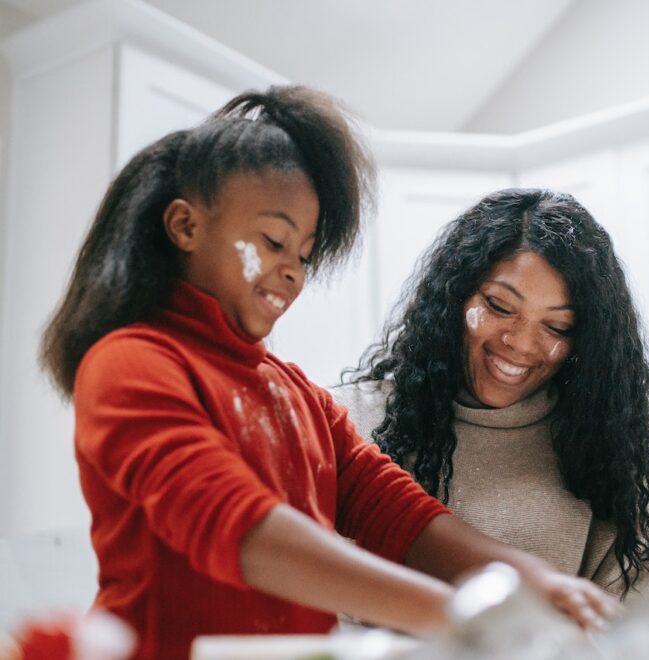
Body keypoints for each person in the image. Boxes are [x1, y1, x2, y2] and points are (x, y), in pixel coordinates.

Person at [37, 88, 616, 660]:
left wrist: (531, 580)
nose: (292, 272)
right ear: (185, 226)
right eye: (272, 241)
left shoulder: (297, 395)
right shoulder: (131, 363)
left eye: (305, 254)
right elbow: (240, 530)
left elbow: (403, 519)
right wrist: (456, 618)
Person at [337, 188, 649, 601]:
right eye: (499, 305)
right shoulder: (343, 424)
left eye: (557, 327)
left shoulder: (605, 463)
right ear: (456, 294)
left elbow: (635, 637)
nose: (521, 343)